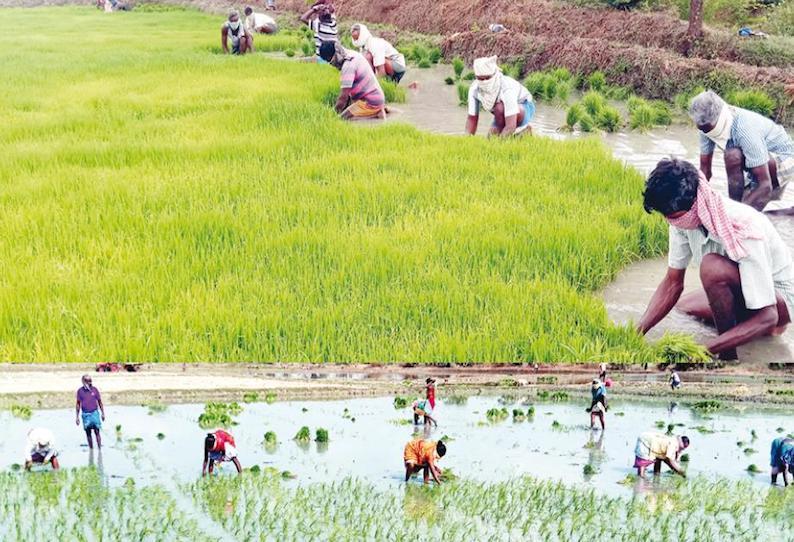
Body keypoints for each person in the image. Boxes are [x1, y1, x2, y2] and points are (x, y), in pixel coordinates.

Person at [638, 158, 794, 361]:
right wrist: (636, 332)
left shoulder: (742, 225)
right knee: (682, 307)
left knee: (712, 267)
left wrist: (703, 350)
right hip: (742, 290)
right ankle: (736, 332)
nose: (671, 222)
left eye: (674, 216)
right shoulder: (681, 218)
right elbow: (672, 283)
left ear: (695, 204)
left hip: (777, 304)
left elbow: (768, 316)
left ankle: (728, 356)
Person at [689, 90, 794, 212]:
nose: (705, 132)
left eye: (708, 129)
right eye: (702, 129)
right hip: (756, 159)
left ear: (717, 120)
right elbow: (705, 171)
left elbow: (765, 186)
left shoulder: (744, 129)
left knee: (732, 155)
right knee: (740, 204)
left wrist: (737, 217)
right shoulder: (704, 125)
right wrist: (694, 202)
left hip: (783, 159)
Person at [465, 56, 535, 137]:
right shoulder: (475, 89)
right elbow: (472, 118)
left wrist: (498, 145)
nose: (484, 82)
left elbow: (510, 125)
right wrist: (467, 139)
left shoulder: (506, 87)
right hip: (501, 114)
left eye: (487, 78)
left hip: (523, 107)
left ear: (494, 74)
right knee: (491, 138)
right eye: (480, 79)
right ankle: (510, 134)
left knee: (500, 108)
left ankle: (524, 128)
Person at [319, 41, 386, 121]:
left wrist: (332, 115)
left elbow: (343, 97)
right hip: (373, 98)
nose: (331, 64)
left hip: (369, 101)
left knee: (342, 119)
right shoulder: (352, 54)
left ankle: (376, 112)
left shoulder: (348, 65)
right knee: (346, 113)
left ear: (335, 55)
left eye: (329, 60)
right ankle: (376, 110)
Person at [76, 374, 105, 449]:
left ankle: (99, 449)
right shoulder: (80, 391)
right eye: (88, 381)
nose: (90, 382)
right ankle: (91, 449)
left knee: (97, 432)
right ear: (83, 381)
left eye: (90, 381)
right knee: (88, 433)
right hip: (85, 414)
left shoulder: (95, 389)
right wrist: (77, 417)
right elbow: (78, 404)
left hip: (94, 413)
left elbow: (99, 402)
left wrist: (102, 413)